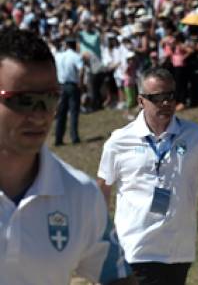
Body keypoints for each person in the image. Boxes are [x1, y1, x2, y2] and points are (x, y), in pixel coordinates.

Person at [0, 28, 134, 285]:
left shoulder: (80, 194)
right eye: (24, 100)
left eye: (50, 99)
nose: (40, 115)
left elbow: (117, 276)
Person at [97, 67, 198, 285]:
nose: (166, 103)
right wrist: (100, 240)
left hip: (179, 251)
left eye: (170, 96)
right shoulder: (118, 141)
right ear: (141, 101)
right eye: (158, 98)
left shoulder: (196, 136)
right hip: (135, 248)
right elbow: (102, 189)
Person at [54, 35, 84, 145]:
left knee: (61, 113)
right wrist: (81, 84)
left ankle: (58, 138)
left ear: (66, 45)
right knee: (74, 112)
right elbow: (81, 70)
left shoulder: (58, 56)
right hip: (72, 85)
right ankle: (74, 137)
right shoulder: (76, 56)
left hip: (61, 85)